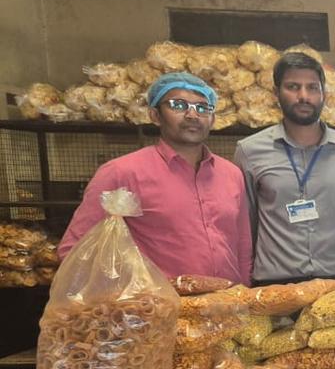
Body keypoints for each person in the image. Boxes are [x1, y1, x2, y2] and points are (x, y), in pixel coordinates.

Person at [59, 73, 251, 284]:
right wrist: (126, 295)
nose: (192, 115)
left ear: (213, 119)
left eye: (203, 108)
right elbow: (74, 250)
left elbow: (242, 246)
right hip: (160, 302)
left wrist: (244, 293)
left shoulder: (231, 174)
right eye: (178, 105)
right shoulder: (122, 173)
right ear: (155, 115)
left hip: (227, 299)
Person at [234, 52, 335, 286]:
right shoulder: (249, 151)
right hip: (274, 285)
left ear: (324, 93)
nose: (304, 96)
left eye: (312, 88)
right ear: (276, 93)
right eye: (293, 87)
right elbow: (247, 223)